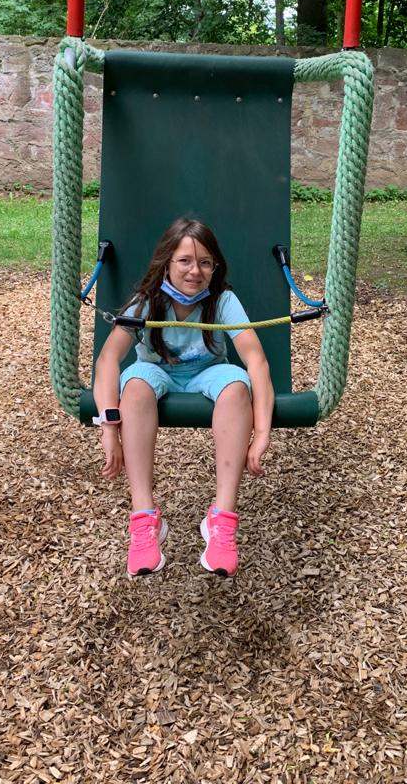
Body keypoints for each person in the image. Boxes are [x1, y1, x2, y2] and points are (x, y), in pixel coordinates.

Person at [92, 217, 274, 578]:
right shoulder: (147, 302)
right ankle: (144, 520)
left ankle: (222, 521)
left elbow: (256, 359)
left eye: (205, 262)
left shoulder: (222, 301)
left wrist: (263, 432)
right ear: (167, 263)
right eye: (185, 261)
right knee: (135, 386)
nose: (195, 271)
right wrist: (109, 429)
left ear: (215, 267)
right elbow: (108, 359)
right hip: (156, 373)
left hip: (208, 373)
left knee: (237, 387)